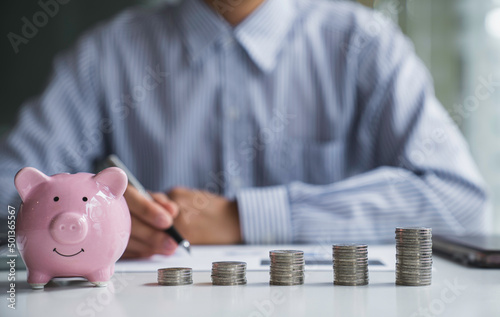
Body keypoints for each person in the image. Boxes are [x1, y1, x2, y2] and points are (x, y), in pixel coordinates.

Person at [0, 0, 488, 258]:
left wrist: (244, 218)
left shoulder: (365, 47)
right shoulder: (104, 56)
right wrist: (102, 217)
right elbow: (7, 195)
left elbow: (459, 201)